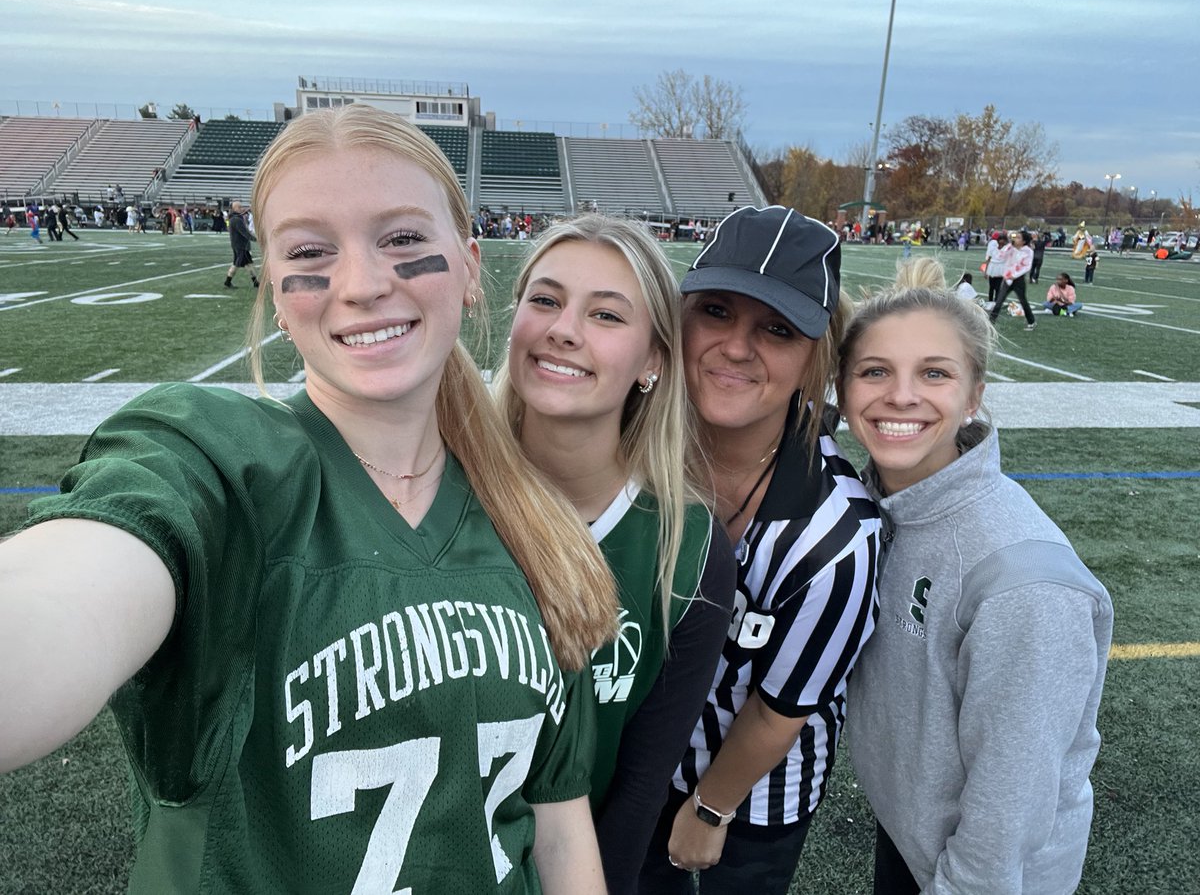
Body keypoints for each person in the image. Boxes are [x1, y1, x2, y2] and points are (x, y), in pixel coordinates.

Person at [0, 104, 619, 894]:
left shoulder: (535, 523)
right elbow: (61, 597)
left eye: (403, 239)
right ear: (275, 290)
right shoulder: (217, 463)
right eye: (310, 251)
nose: (361, 285)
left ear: (470, 268)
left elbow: (558, 827)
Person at [837, 257, 1112, 895]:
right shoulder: (881, 504)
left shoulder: (1024, 582)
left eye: (934, 373)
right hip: (912, 831)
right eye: (875, 371)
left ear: (974, 396)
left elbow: (1007, 807)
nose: (901, 395)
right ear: (844, 392)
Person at [640, 206, 881, 895]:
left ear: (816, 358)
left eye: (778, 329)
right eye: (716, 311)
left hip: (750, 801)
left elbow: (781, 709)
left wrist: (712, 809)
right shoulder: (631, 447)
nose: (738, 347)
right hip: (638, 768)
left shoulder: (835, 535)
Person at [496, 214, 736, 893]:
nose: (564, 329)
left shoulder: (687, 549)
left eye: (605, 314)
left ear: (653, 361)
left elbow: (637, 787)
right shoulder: (436, 487)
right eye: (545, 300)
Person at [989, 230, 1037, 331]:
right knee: (999, 300)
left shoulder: (1028, 251)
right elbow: (1000, 256)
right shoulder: (1011, 248)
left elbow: (1026, 267)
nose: (1016, 239)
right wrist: (1009, 246)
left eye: (1019, 238)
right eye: (1016, 237)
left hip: (1018, 280)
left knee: (1023, 301)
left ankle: (1031, 321)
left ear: (1024, 241)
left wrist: (1014, 275)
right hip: (1007, 279)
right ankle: (990, 322)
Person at [224, 200, 260, 289]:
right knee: (237, 264)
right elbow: (245, 233)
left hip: (239, 245)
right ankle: (228, 281)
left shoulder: (235, 218)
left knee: (248, 264)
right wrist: (256, 239)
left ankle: (255, 282)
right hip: (241, 246)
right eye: (239, 207)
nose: (242, 208)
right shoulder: (236, 219)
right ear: (235, 208)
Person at [982, 232, 1007, 303]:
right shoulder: (993, 248)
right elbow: (988, 259)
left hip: (1000, 269)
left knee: (998, 288)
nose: (1002, 242)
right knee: (991, 287)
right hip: (992, 269)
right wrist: (985, 272)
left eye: (1003, 241)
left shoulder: (1006, 249)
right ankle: (990, 301)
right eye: (1000, 240)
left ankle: (996, 302)